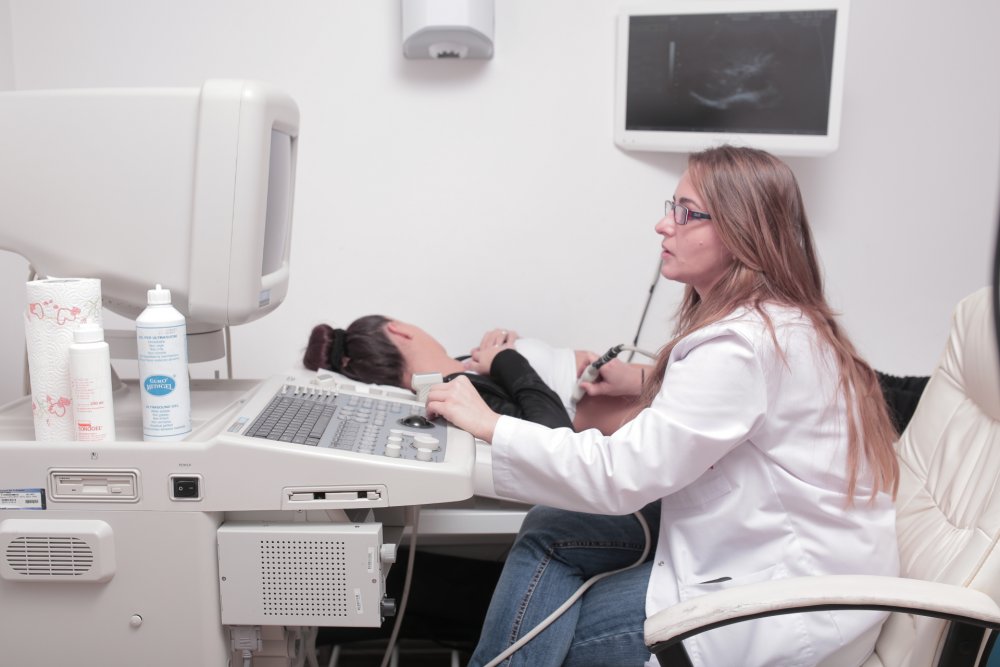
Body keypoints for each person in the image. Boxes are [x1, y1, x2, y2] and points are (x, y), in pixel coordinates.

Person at [426, 145, 900, 667]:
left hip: (792, 604)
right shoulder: (778, 321)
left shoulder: (741, 347)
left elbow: (618, 475)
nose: (663, 225)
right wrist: (645, 377)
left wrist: (490, 424)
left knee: (552, 636)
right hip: (789, 558)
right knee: (551, 525)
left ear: (742, 231)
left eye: (687, 213)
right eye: (671, 206)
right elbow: (745, 402)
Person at [303, 316, 575, 430]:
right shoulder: (460, 393)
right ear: (398, 329)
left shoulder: (462, 370)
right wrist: (507, 359)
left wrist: (506, 350)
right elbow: (556, 438)